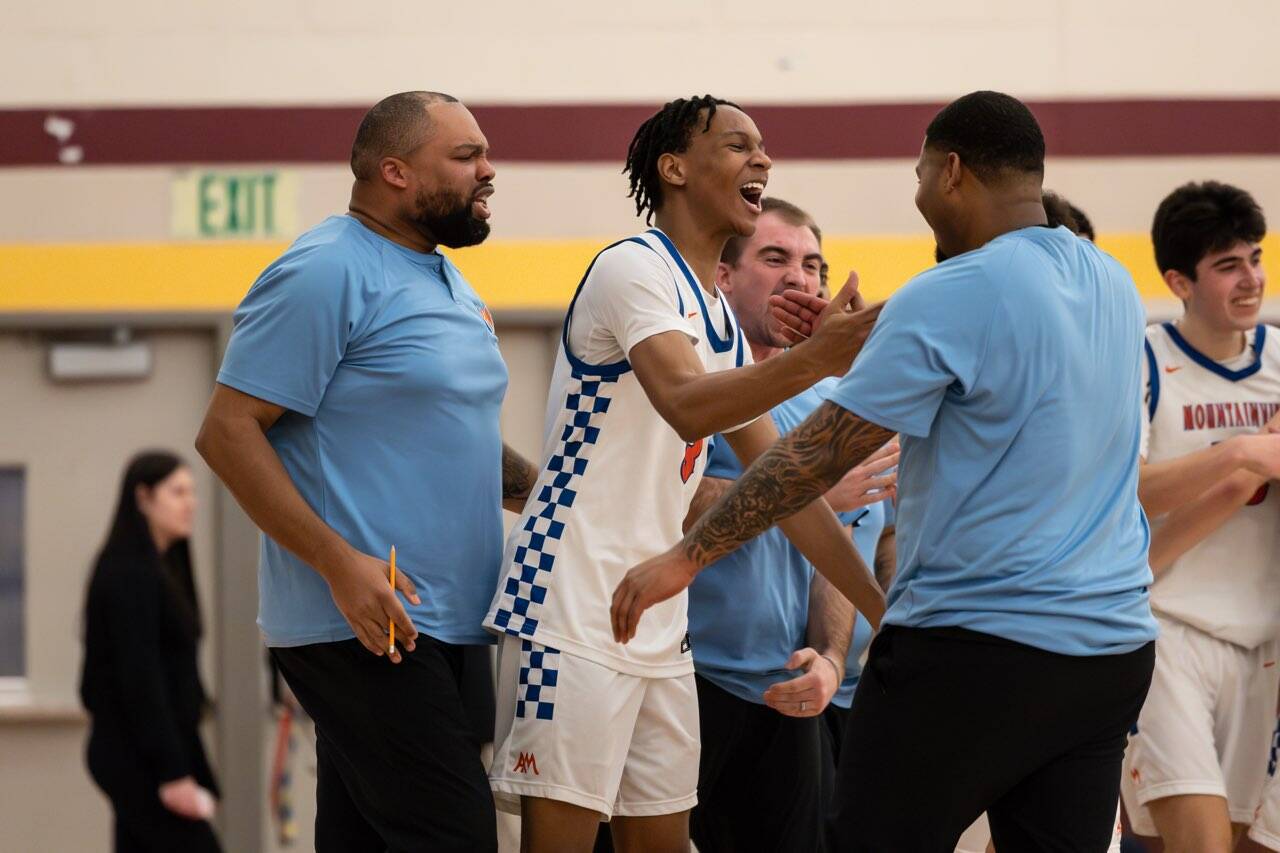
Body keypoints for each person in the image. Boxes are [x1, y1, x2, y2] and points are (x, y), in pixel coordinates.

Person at [611, 90, 1159, 852]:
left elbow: (811, 458)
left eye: (920, 174)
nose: (919, 193)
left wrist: (685, 555)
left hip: (976, 648)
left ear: (952, 172)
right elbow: (1006, 376)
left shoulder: (951, 291)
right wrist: (863, 348)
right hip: (1112, 653)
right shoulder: (1112, 284)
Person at [483, 95, 887, 853]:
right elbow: (684, 402)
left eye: (762, 146)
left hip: (660, 620)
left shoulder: (720, 316)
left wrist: (884, 612)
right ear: (673, 168)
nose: (762, 158)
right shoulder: (631, 267)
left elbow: (785, 485)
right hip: (571, 601)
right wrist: (817, 358)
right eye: (737, 144)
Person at [195, 91, 539, 852]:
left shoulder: (448, 282)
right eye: (466, 155)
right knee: (454, 836)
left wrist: (558, 500)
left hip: (452, 620)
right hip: (364, 619)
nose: (489, 170)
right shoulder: (326, 269)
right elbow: (226, 432)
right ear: (395, 171)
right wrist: (338, 563)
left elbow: (457, 442)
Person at [683, 197, 898, 852]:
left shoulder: (833, 402)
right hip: (689, 676)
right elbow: (670, 498)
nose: (800, 278)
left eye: (814, 266)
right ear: (723, 277)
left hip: (790, 688)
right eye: (776, 258)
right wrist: (804, 492)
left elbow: (849, 538)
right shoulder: (697, 377)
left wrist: (831, 655)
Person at [1120, 181, 1280, 853]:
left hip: (1264, 639)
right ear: (1179, 282)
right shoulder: (1144, 359)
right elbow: (1124, 493)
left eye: (1255, 257)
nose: (1252, 279)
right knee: (1199, 842)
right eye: (1228, 265)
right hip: (1167, 631)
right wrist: (1241, 453)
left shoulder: (1278, 358)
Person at [80, 451, 221, 852]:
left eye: (192, 492)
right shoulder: (127, 572)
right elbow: (139, 678)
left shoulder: (164, 569)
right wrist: (172, 772)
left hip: (152, 749)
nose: (191, 503)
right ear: (143, 497)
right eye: (178, 492)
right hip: (135, 754)